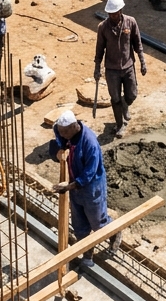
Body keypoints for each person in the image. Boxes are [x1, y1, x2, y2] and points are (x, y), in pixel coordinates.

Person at [49, 110, 118, 266]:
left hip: (91, 188)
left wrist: (68, 187)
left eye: (65, 132)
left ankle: (114, 233)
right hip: (75, 186)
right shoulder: (63, 130)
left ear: (74, 127)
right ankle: (87, 255)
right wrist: (60, 147)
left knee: (97, 223)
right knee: (79, 224)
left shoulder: (90, 143)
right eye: (61, 132)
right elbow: (56, 130)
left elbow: (89, 174)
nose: (62, 134)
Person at [94, 0, 147, 139]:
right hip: (111, 70)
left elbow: (138, 44)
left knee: (132, 94)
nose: (113, 16)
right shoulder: (103, 27)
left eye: (116, 13)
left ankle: (125, 105)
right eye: (111, 13)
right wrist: (97, 68)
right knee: (115, 98)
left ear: (121, 11)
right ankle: (120, 124)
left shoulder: (131, 23)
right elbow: (99, 50)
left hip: (128, 66)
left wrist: (142, 62)